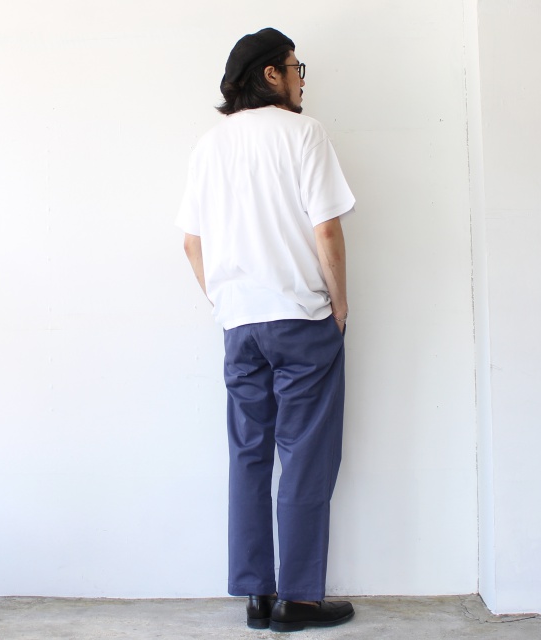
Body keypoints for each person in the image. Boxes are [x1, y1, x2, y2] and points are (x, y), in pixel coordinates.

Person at [176, 27, 356, 633]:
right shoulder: (304, 134)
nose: (302, 79)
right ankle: (298, 600)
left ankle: (256, 594)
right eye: (295, 67)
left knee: (249, 454)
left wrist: (226, 302)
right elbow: (326, 229)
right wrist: (340, 305)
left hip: (241, 326)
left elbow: (191, 243)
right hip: (300, 318)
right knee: (305, 456)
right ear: (271, 74)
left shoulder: (209, 146)